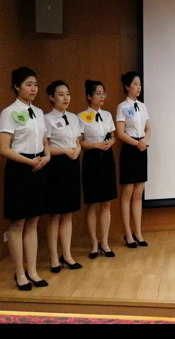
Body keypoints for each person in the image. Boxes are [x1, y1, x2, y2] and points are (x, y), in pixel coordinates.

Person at [0, 67, 50, 290]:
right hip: (20, 170)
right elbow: (4, 148)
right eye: (29, 84)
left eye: (35, 84)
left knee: (33, 222)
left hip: (39, 166)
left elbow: (45, 141)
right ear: (16, 86)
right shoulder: (8, 112)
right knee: (18, 223)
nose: (33, 89)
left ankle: (33, 271)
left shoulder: (38, 112)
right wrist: (29, 162)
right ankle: (19, 273)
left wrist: (47, 156)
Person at [44, 80, 83, 273]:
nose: (65, 98)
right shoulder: (47, 118)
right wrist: (65, 150)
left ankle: (67, 255)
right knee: (55, 215)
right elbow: (45, 147)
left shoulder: (74, 118)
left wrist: (78, 149)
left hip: (72, 165)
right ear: (51, 97)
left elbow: (78, 141)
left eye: (67, 94)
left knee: (68, 213)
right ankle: (53, 258)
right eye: (61, 94)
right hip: (56, 167)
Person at [78, 80, 117, 258]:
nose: (102, 97)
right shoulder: (81, 116)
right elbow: (80, 143)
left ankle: (105, 242)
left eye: (103, 93)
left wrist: (110, 143)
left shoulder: (107, 115)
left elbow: (114, 136)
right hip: (92, 159)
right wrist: (96, 145)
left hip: (106, 158)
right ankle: (94, 243)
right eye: (98, 93)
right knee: (92, 204)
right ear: (89, 96)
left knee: (106, 203)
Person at [116, 72, 151, 248]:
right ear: (127, 86)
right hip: (130, 150)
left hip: (141, 149)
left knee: (138, 194)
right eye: (135, 84)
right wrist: (137, 143)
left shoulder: (142, 106)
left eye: (140, 84)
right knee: (127, 194)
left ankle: (138, 232)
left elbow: (148, 128)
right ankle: (128, 233)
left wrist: (144, 141)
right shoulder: (122, 107)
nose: (138, 87)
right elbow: (120, 133)